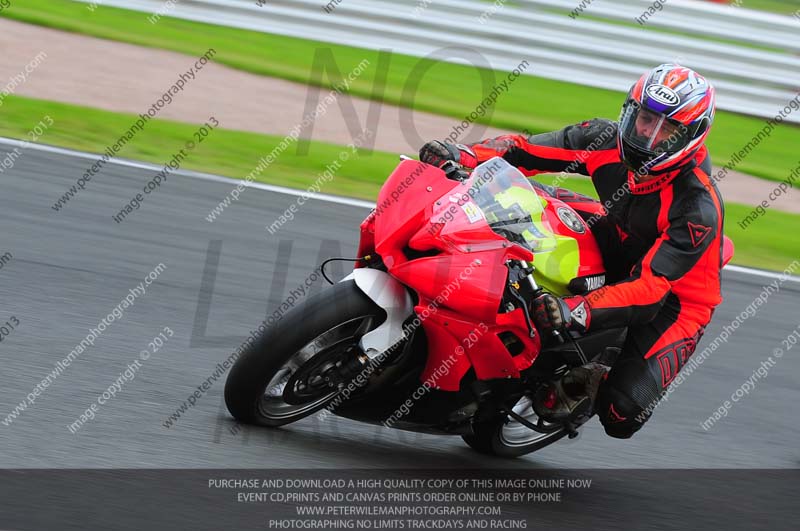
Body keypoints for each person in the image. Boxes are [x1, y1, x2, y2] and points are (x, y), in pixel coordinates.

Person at [419, 64, 724, 439]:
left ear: (690, 137)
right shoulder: (603, 139)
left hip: (674, 299)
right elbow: (523, 150)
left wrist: (576, 310)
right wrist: (464, 155)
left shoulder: (697, 208)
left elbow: (649, 292)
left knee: (622, 415)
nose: (647, 135)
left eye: (667, 129)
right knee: (517, 210)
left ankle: (590, 380)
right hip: (619, 236)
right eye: (645, 119)